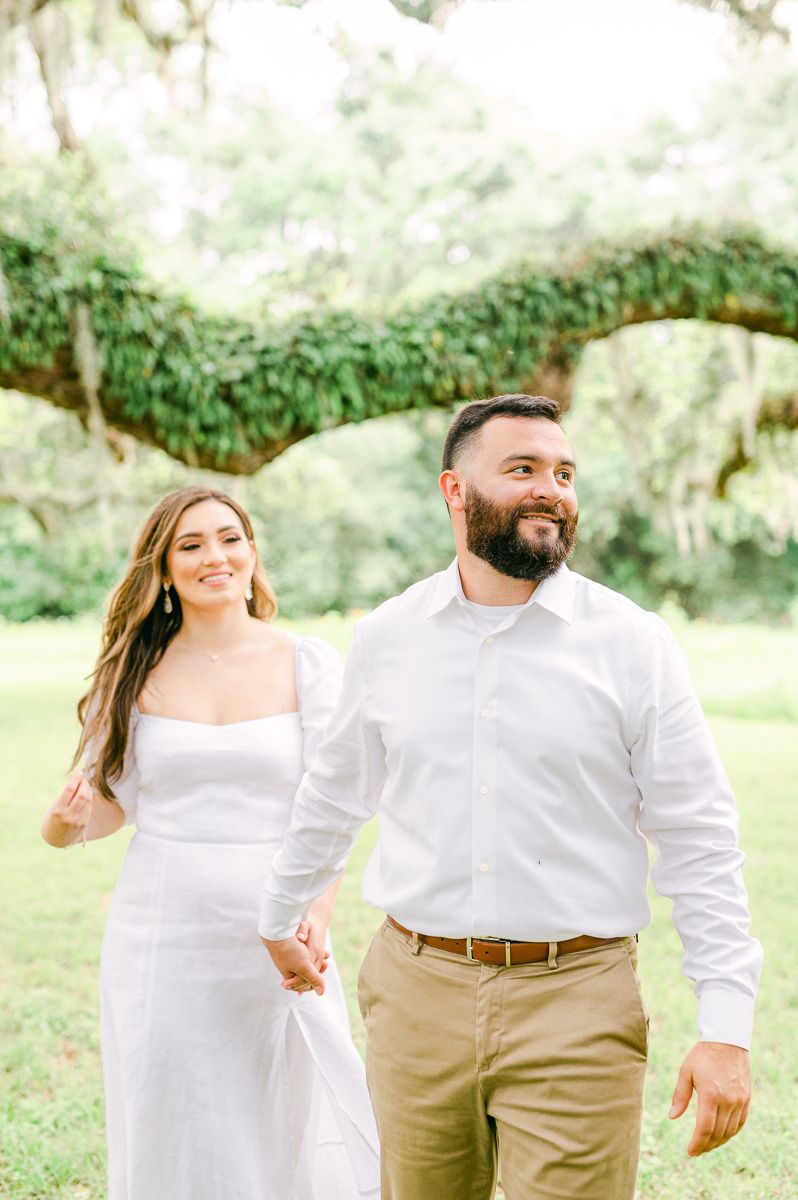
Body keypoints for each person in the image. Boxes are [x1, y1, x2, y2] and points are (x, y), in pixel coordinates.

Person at [259, 394, 762, 1200]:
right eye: (521, 468)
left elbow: (699, 837)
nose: (551, 489)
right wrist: (279, 913)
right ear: (454, 492)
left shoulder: (632, 643)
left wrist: (726, 1029)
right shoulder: (388, 637)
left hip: (578, 1001)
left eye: (563, 473)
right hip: (415, 994)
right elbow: (334, 794)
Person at [41, 484, 379, 1200]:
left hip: (280, 930)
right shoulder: (133, 671)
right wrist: (65, 823)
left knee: (288, 1099)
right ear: (164, 570)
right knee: (178, 1108)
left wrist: (315, 915)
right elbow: (108, 809)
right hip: (164, 933)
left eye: (229, 538)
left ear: (252, 554)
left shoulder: (307, 664)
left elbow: (333, 809)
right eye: (190, 545)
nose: (214, 556)